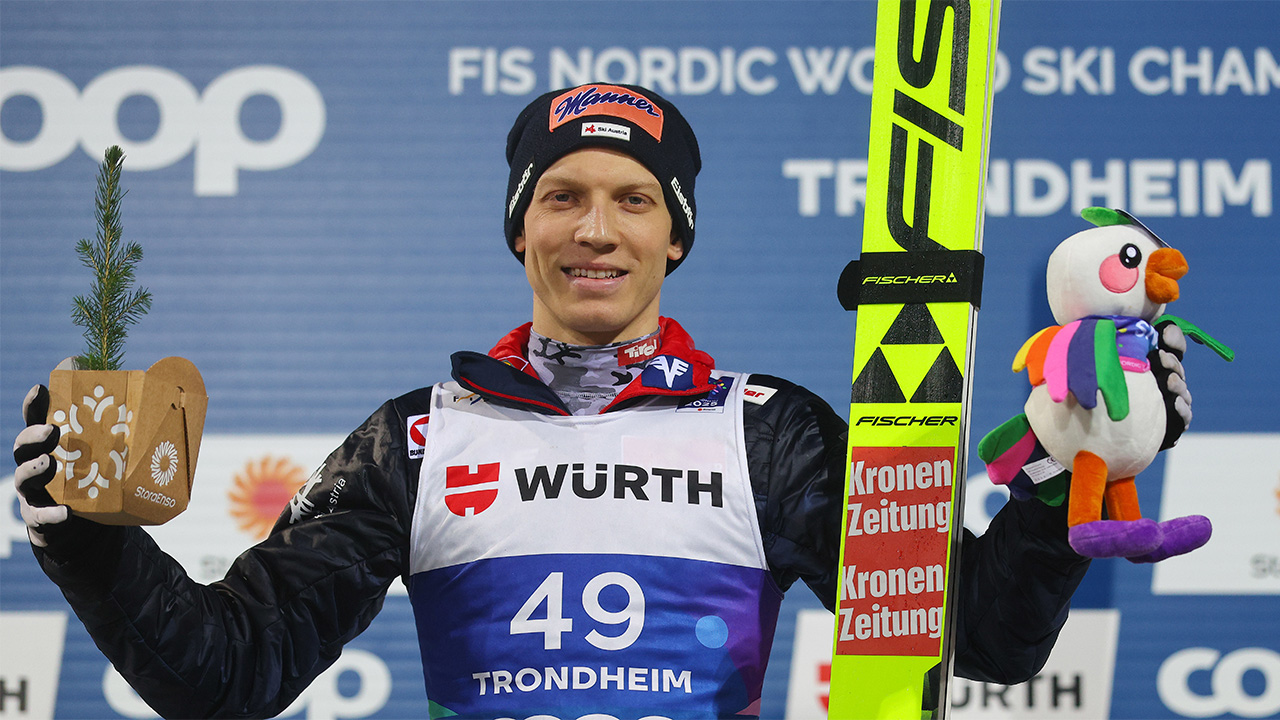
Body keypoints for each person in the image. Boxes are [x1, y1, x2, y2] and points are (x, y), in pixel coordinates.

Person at [12, 83, 1188, 719]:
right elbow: (229, 676)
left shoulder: (767, 428)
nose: (594, 229)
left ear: (673, 235)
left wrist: (1064, 468)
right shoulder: (416, 437)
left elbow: (973, 636)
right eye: (563, 195)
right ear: (519, 225)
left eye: (633, 199)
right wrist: (88, 542)